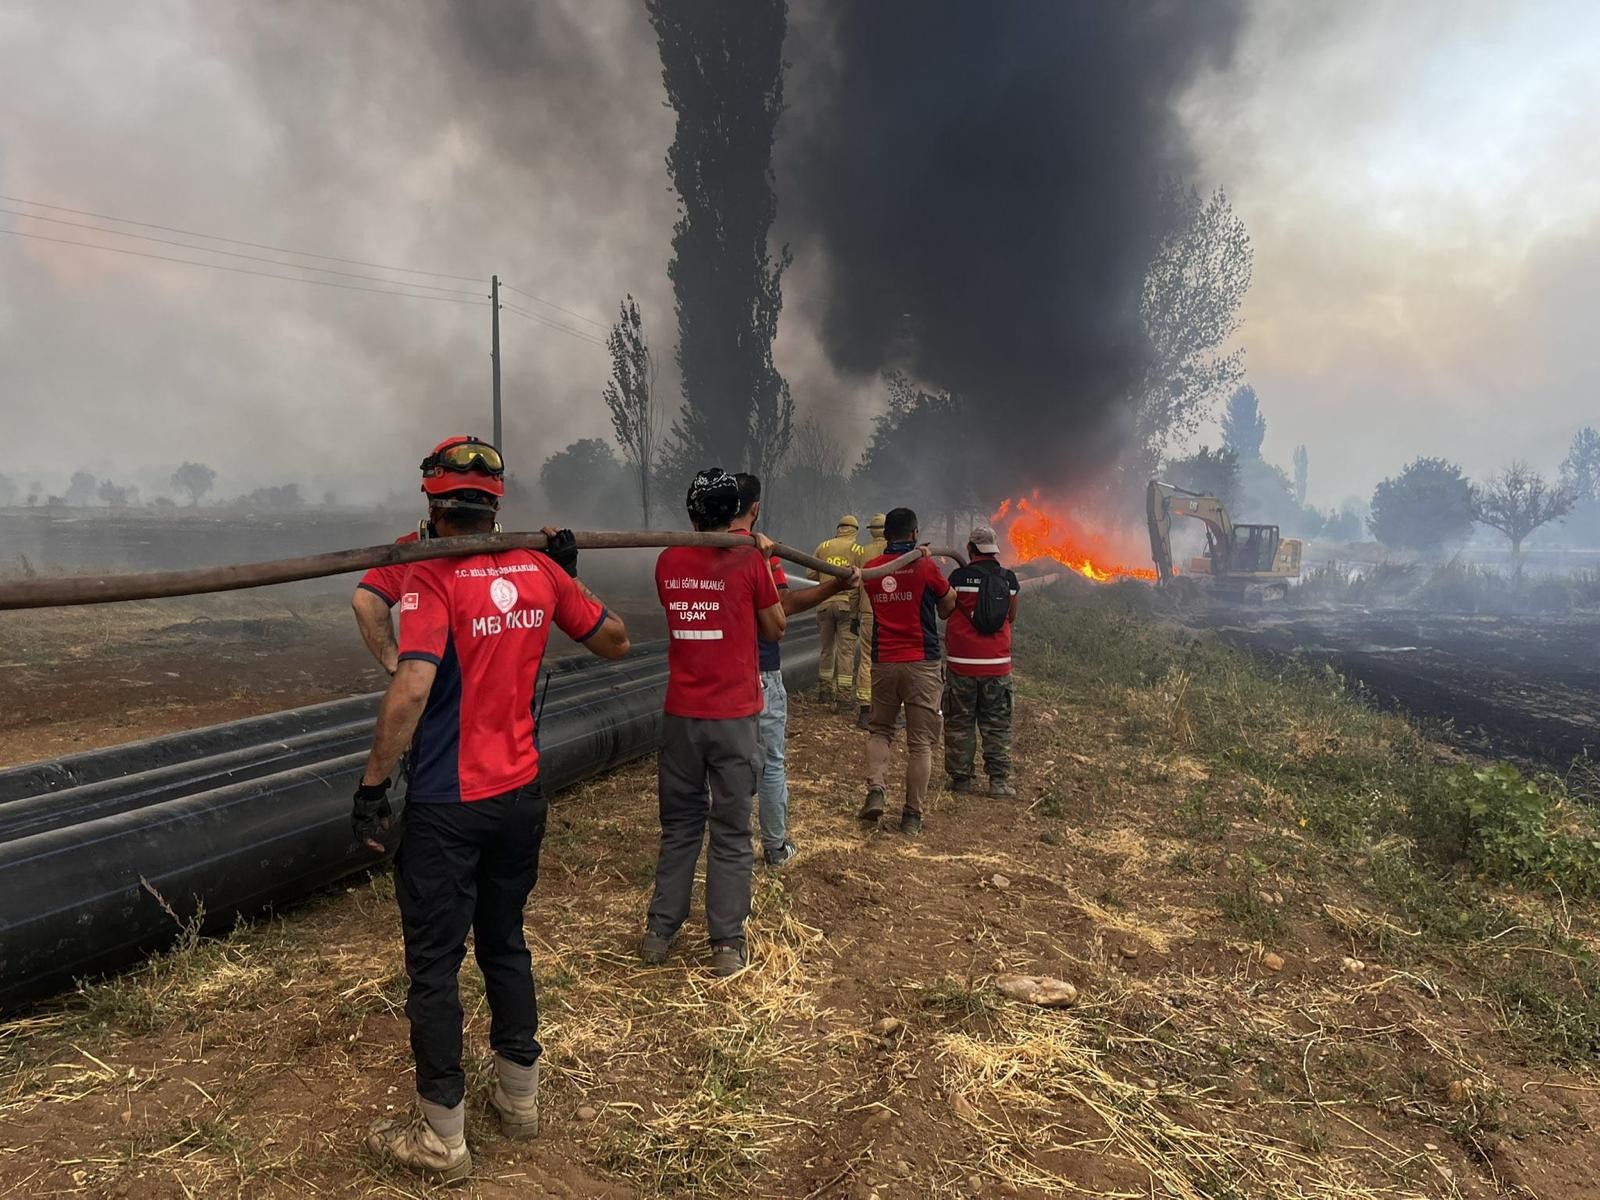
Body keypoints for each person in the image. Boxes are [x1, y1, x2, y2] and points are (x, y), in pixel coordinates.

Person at [351, 441, 630, 1182]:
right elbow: (614, 640)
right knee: (504, 943)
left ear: (433, 505)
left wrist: (373, 787)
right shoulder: (538, 569)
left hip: (448, 804)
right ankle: (520, 1101)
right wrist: (569, 579)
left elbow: (411, 689)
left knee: (435, 970)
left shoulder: (431, 576)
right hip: (519, 798)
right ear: (496, 503)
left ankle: (443, 1140)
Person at [641, 468, 785, 977]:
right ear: (736, 512)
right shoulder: (749, 558)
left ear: (692, 513)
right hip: (733, 719)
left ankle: (660, 932)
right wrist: (763, 562)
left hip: (681, 715)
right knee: (728, 830)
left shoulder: (667, 560)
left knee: (678, 826)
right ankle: (725, 944)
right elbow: (776, 626)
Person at [731, 473, 860, 868]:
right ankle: (774, 847)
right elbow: (783, 606)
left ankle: (728, 849)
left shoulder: (702, 552)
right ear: (755, 508)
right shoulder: (762, 555)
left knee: (724, 764)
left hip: (721, 676)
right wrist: (836, 588)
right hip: (762, 671)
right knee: (770, 763)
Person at [351, 435, 503, 676]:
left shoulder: (411, 553)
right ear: (495, 506)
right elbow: (366, 601)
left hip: (434, 695)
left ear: (432, 505)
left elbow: (366, 601)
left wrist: (397, 667)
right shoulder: (517, 557)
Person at [859, 507, 956, 834]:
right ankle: (912, 816)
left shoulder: (872, 569)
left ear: (885, 535)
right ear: (914, 533)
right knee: (920, 744)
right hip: (923, 664)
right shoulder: (926, 566)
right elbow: (947, 605)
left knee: (881, 730)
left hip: (884, 662)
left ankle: (876, 791)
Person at [943, 524, 1022, 798]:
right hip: (997, 666)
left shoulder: (957, 577)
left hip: (961, 664)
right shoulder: (1009, 580)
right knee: (997, 723)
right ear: (994, 550)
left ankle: (961, 780)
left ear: (969, 549)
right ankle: (998, 782)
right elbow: (1010, 617)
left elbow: (946, 610)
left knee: (959, 721)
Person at [808, 514, 864, 710]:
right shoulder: (858, 549)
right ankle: (843, 698)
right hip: (846, 606)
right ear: (855, 531)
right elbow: (862, 578)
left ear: (839, 528)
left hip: (824, 605)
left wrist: (826, 577)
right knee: (846, 652)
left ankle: (824, 692)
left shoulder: (823, 546)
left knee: (826, 650)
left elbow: (810, 573)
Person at [851, 513, 888, 729]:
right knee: (888, 660)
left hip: (866, 612)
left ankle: (865, 711)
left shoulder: (862, 552)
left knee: (866, 659)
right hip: (890, 612)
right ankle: (885, 710)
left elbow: (855, 586)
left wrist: (854, 613)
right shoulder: (896, 552)